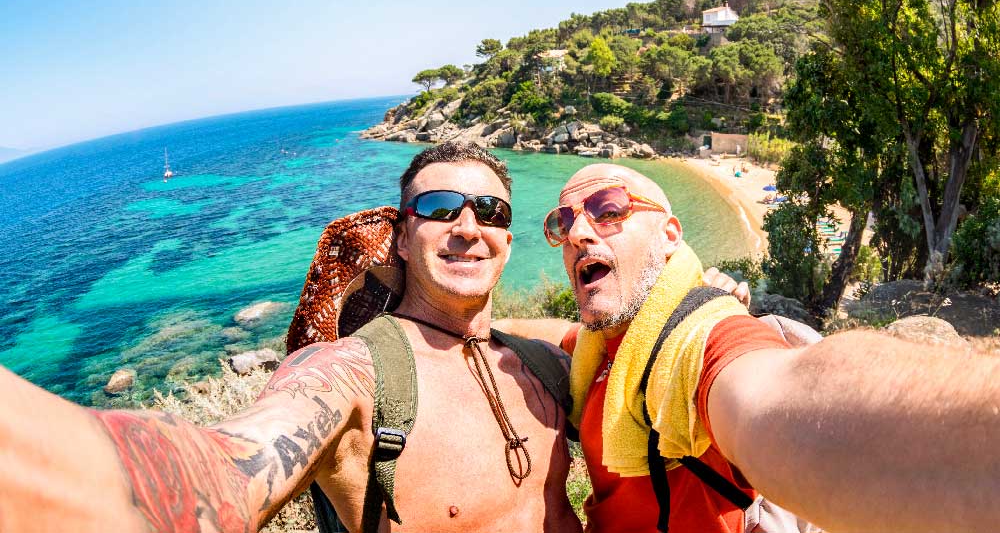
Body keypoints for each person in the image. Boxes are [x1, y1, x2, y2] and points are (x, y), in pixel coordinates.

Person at [0, 143, 585, 533]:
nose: (467, 228)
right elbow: (220, 466)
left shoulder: (544, 360)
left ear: (507, 240)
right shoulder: (349, 376)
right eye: (437, 208)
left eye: (490, 211)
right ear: (403, 238)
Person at [538, 162, 1000, 533]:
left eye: (608, 208)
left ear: (670, 236)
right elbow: (543, 333)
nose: (579, 232)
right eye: (563, 220)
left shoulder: (704, 340)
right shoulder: (595, 347)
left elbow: (780, 394)